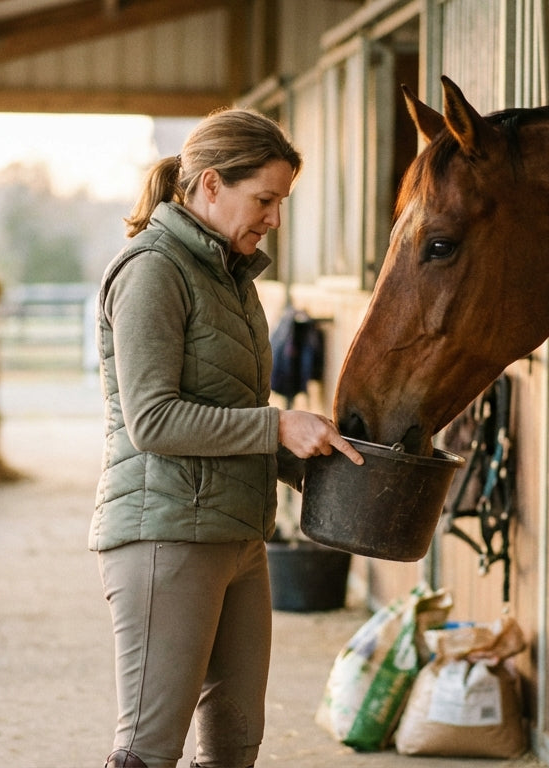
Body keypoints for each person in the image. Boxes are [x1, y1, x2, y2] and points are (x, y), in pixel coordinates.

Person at [91, 108, 363, 768]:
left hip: (239, 533)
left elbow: (228, 413)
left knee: (236, 744)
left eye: (280, 203)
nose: (273, 218)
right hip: (166, 532)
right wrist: (278, 425)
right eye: (264, 199)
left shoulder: (231, 278)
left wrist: (312, 455)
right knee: (149, 748)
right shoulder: (152, 270)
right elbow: (152, 420)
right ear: (210, 185)